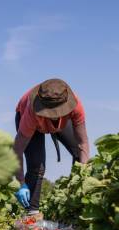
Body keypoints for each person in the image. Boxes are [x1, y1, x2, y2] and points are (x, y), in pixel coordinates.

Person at [13, 79, 90, 216]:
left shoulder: (75, 105)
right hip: (32, 117)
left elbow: (82, 143)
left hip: (63, 118)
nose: (54, 115)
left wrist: (83, 176)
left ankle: (74, 203)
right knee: (37, 166)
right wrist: (21, 183)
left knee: (79, 154)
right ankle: (32, 212)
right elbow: (17, 150)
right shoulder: (31, 112)